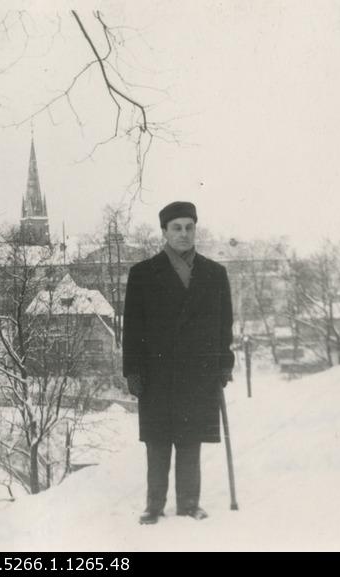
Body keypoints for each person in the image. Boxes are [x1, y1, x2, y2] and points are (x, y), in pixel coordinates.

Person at [122, 201, 234, 525]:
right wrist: (132, 370)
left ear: (195, 229)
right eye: (177, 228)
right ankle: (153, 505)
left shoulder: (215, 274)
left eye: (189, 227)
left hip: (198, 373)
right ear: (164, 232)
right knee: (157, 442)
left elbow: (224, 324)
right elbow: (132, 327)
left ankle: (188, 503)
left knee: (190, 440)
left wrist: (224, 362)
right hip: (157, 373)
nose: (184, 234)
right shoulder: (142, 274)